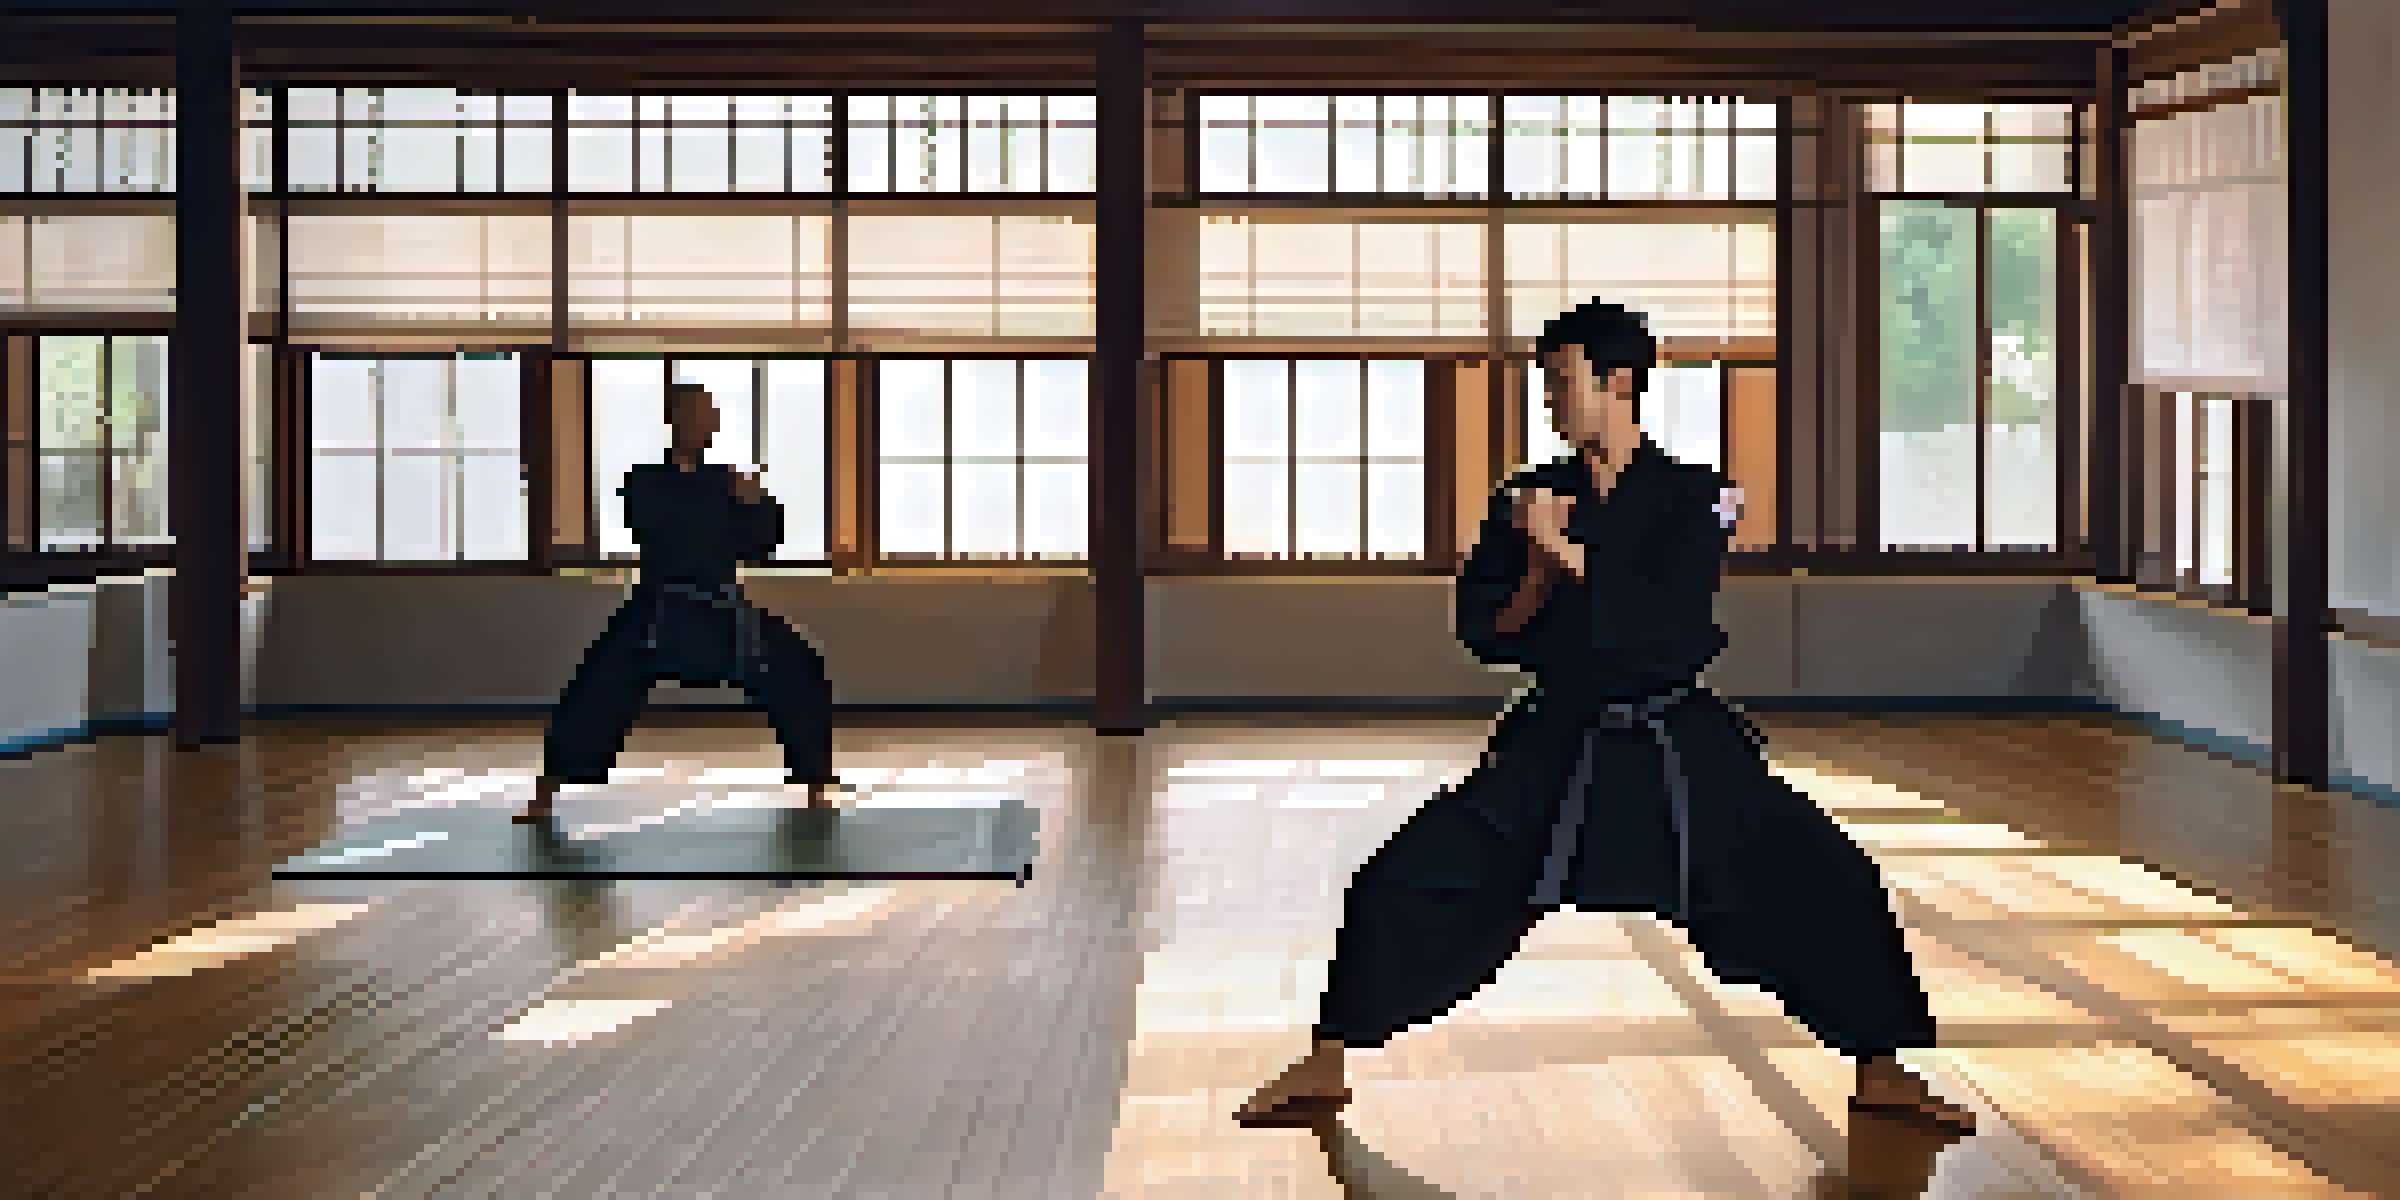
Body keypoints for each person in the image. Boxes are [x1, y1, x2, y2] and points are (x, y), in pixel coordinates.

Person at [1234, 301, 1976, 1138]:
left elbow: (1674, 621)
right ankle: (1327, 1060)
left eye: (1562, 382)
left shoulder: (1703, 495)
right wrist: (1539, 579)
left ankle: (1882, 1068)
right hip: (1560, 735)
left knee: (1824, 876)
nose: (1549, 402)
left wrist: (1561, 552)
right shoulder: (1528, 495)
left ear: (1617, 382)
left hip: (1675, 741)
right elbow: (1486, 629)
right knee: (1409, 873)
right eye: (1545, 384)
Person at [517, 382, 839, 823]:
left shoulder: (727, 481)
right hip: (659, 610)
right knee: (596, 686)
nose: (712, 422)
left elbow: (758, 548)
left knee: (800, 665)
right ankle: (547, 790)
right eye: (703, 413)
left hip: (723, 611)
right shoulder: (645, 480)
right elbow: (659, 530)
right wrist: (729, 505)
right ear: (677, 419)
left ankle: (815, 782)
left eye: (713, 415)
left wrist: (756, 505)